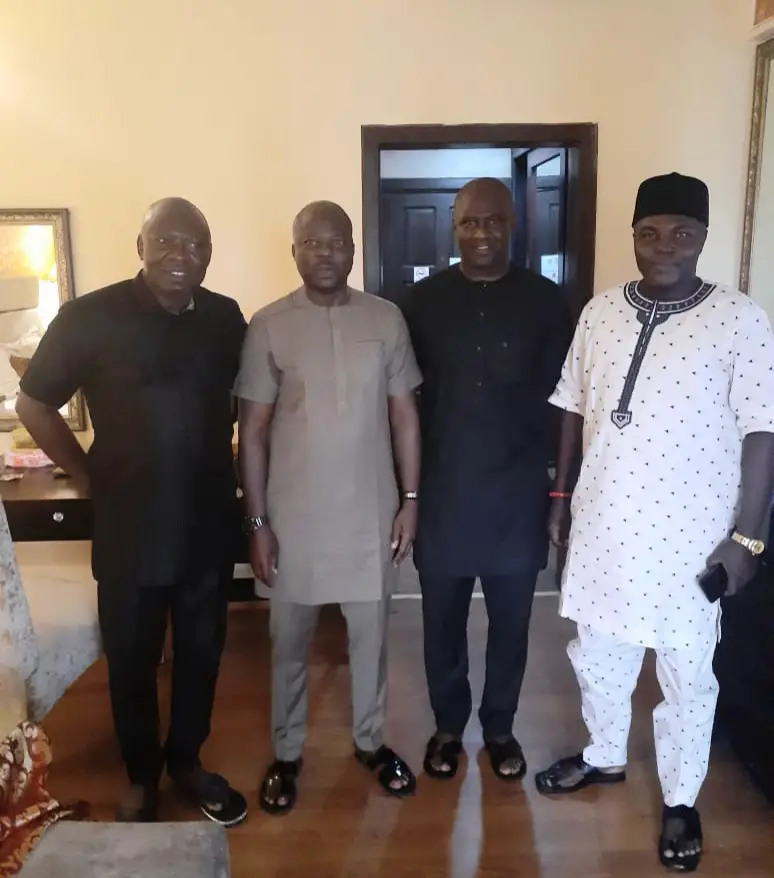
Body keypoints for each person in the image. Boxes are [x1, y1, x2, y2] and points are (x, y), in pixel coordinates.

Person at [535, 172, 774, 872]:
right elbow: (572, 405)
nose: (664, 245)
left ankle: (680, 798)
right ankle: (604, 755)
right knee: (598, 658)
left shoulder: (741, 319)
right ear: (633, 237)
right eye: (649, 232)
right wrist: (560, 499)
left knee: (687, 675)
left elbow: (764, 429)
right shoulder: (600, 313)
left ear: (703, 238)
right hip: (605, 527)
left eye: (681, 232)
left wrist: (748, 537)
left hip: (692, 541)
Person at [16, 198, 248, 826]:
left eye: (196, 244)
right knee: (132, 659)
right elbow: (34, 404)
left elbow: (244, 400)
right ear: (140, 246)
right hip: (130, 527)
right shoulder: (88, 317)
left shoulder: (225, 318)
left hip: (206, 523)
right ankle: (141, 776)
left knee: (201, 653)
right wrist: (86, 474)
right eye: (166, 241)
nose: (182, 255)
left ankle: (187, 762)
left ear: (209, 253)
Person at [236, 201, 422, 815]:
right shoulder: (268, 325)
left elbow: (404, 415)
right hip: (293, 521)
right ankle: (286, 753)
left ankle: (370, 742)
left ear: (353, 250)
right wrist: (258, 524)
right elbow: (252, 433)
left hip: (370, 515)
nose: (325, 253)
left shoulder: (385, 318)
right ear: (294, 251)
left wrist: (410, 500)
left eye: (337, 242)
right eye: (312, 243)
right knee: (288, 644)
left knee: (371, 642)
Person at [400, 178, 573, 782]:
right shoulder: (418, 303)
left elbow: (569, 403)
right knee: (441, 625)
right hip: (443, 493)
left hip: (517, 494)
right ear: (454, 227)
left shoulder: (547, 302)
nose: (481, 234)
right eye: (470, 223)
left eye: (493, 221)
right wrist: (405, 494)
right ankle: (448, 727)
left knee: (512, 626)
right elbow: (402, 404)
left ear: (513, 225)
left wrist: (561, 492)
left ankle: (500, 728)